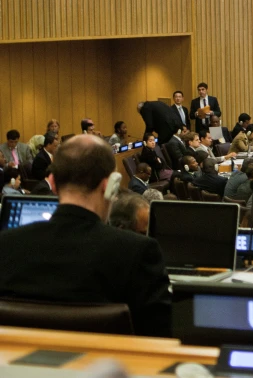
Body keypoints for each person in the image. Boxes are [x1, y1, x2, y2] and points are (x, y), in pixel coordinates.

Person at [0, 135, 171, 337]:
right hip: (110, 365)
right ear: (110, 186)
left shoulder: (6, 245)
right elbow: (160, 336)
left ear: (53, 184)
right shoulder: (138, 252)